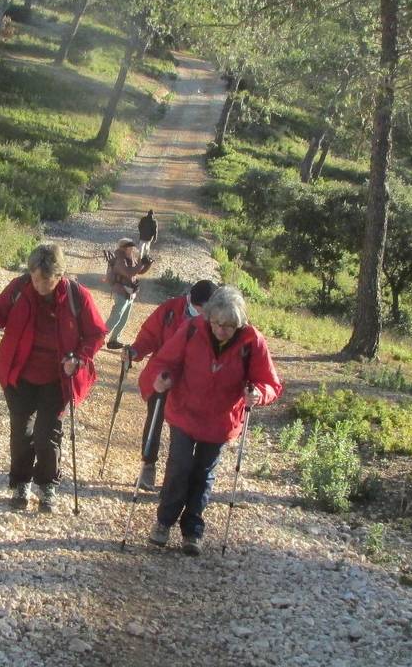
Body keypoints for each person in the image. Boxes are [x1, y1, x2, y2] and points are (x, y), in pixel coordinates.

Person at [136, 285, 282, 555]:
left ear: (239, 323)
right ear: (209, 317)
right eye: (217, 323)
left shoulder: (252, 342)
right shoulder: (193, 329)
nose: (222, 330)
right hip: (184, 411)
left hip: (220, 420)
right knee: (178, 468)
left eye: (229, 325)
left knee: (204, 475)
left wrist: (259, 394)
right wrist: (161, 378)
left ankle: (192, 531)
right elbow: (167, 359)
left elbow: (269, 382)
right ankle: (163, 522)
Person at [0, 243, 107, 513]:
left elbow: (96, 333)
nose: (39, 285)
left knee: (47, 433)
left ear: (59, 276)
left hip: (58, 377)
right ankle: (21, 483)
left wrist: (79, 358)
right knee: (21, 431)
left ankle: (47, 486)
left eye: (46, 280)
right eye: (35, 278)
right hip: (20, 373)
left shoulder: (76, 295)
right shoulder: (19, 287)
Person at [121, 278, 218, 491]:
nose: (202, 312)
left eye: (206, 309)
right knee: (154, 420)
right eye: (199, 307)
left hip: (192, 383)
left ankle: (174, 478)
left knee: (180, 431)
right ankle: (147, 467)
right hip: (162, 376)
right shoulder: (171, 310)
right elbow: (150, 336)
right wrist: (135, 351)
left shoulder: (218, 319)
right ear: (191, 299)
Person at [104, 238, 152, 351]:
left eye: (131, 246)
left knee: (124, 318)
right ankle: (100, 336)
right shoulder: (119, 259)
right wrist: (141, 263)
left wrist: (147, 264)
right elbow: (129, 273)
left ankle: (114, 340)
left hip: (130, 292)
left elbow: (138, 271)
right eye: (129, 246)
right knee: (116, 317)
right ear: (123, 248)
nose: (132, 248)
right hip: (121, 291)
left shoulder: (130, 257)